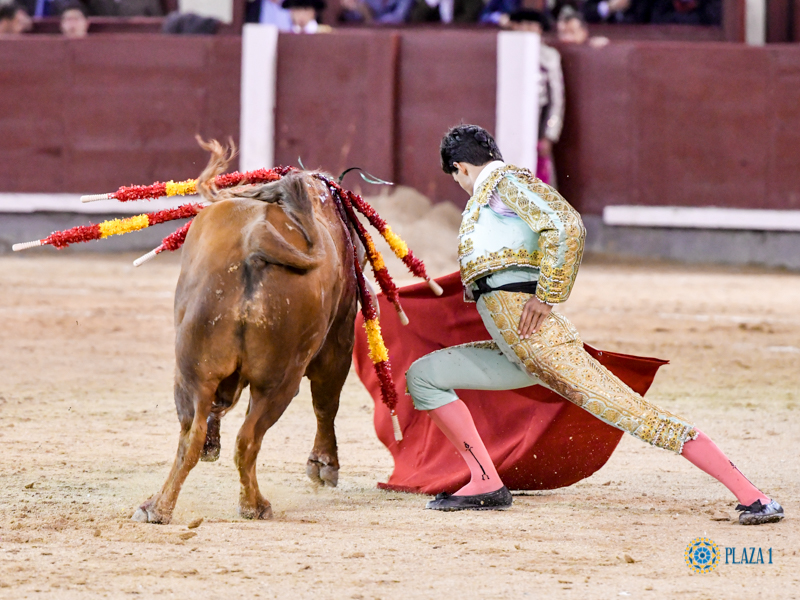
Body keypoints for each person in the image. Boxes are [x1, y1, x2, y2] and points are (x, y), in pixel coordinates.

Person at [404, 124, 784, 526]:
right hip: (514, 349)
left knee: (636, 415)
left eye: (455, 178)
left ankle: (754, 496)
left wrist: (547, 296)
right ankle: (484, 481)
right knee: (425, 376)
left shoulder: (505, 183)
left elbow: (566, 226)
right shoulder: (489, 197)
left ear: (460, 168)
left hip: (541, 342)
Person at [506, 9, 563, 187]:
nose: (527, 29)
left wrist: (549, 133)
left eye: (531, 25)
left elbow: (556, 99)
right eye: (523, 25)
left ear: (539, 29)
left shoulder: (548, 57)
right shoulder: (508, 52)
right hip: (511, 125)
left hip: (539, 121)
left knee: (540, 175)